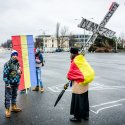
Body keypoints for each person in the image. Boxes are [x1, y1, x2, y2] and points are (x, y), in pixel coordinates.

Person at [67, 47, 94, 122]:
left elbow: (69, 75)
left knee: (77, 101)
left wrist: (69, 77)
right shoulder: (82, 58)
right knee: (85, 100)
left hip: (78, 85)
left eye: (70, 53)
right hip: (85, 83)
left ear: (72, 54)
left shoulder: (75, 61)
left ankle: (77, 117)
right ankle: (85, 115)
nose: (70, 55)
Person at [3, 50, 22, 118]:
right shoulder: (7, 64)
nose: (15, 56)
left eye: (16, 55)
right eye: (14, 55)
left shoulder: (18, 64)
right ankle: (8, 109)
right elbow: (5, 75)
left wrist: (20, 72)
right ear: (11, 56)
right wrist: (7, 83)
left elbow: (19, 73)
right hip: (9, 84)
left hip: (16, 83)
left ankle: (13, 106)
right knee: (8, 97)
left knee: (14, 95)